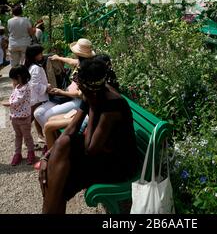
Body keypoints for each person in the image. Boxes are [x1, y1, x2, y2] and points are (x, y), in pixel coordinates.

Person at [38, 56, 138, 214]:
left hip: (119, 165)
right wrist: (47, 157)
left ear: (91, 90)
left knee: (60, 179)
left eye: (83, 90)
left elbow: (90, 149)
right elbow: (72, 129)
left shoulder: (112, 105)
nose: (81, 92)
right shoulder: (93, 92)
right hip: (101, 152)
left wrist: (92, 107)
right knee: (61, 151)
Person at [2, 65, 35, 165]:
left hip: (24, 117)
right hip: (15, 117)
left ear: (19, 77)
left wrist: (6, 103)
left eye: (13, 79)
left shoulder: (26, 87)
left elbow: (17, 101)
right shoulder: (17, 86)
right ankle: (17, 153)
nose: (12, 81)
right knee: (18, 135)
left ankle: (30, 152)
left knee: (27, 136)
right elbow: (13, 97)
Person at [25, 44, 55, 144]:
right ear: (35, 55)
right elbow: (35, 84)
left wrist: (46, 85)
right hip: (38, 97)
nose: (42, 55)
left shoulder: (30, 66)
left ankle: (39, 135)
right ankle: (26, 139)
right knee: (32, 118)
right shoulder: (36, 68)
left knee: (35, 116)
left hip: (35, 96)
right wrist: (46, 87)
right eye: (40, 53)